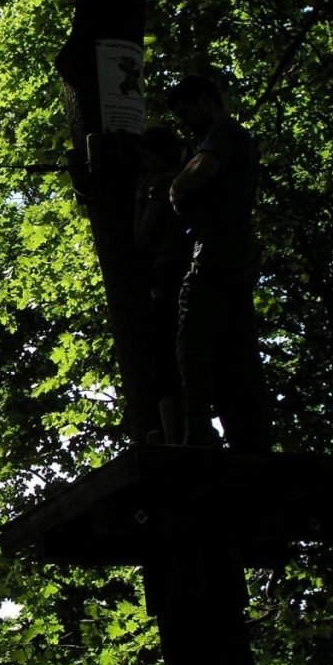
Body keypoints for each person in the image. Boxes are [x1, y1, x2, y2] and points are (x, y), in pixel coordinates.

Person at [167, 75, 269, 450]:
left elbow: (204, 168)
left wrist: (177, 186)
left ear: (205, 102)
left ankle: (198, 434)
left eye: (186, 110)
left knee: (192, 342)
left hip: (216, 248)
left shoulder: (222, 133)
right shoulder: (239, 137)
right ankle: (251, 435)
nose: (183, 120)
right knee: (238, 346)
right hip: (240, 252)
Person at [134, 127, 190, 445]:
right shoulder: (188, 178)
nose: (144, 165)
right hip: (191, 268)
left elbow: (141, 238)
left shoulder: (160, 183)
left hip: (166, 271)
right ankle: (193, 429)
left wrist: (140, 197)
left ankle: (173, 436)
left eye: (146, 157)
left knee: (164, 353)